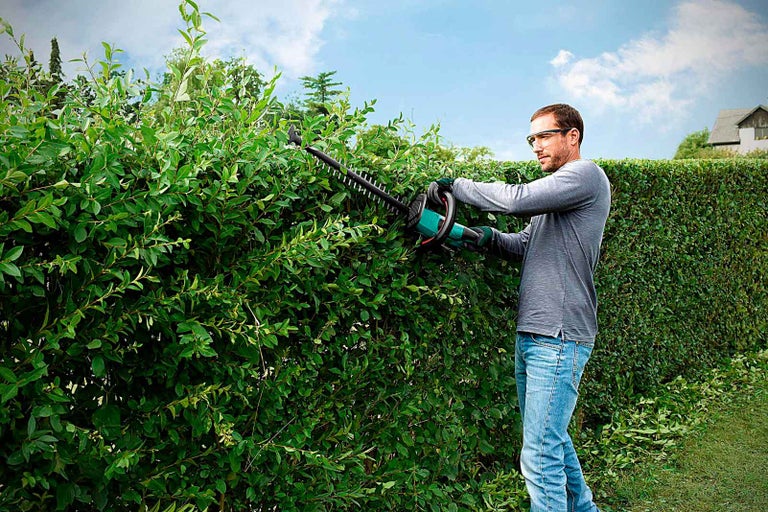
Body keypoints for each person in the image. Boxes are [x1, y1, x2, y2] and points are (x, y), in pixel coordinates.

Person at [428, 103, 610, 512]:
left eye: (544, 136)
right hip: (536, 333)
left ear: (572, 136)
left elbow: (515, 199)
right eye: (532, 139)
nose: (536, 147)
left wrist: (457, 185)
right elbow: (525, 244)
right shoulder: (558, 199)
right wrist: (482, 237)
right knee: (552, 439)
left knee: (539, 456)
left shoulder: (585, 175)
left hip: (558, 336)